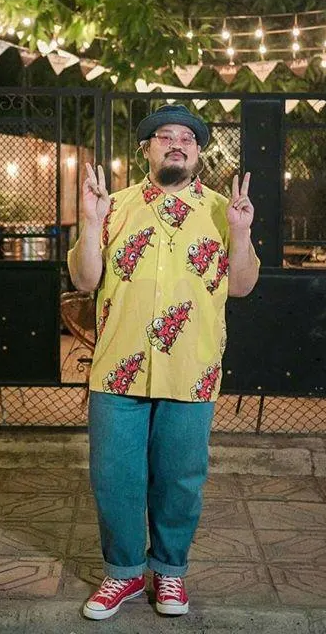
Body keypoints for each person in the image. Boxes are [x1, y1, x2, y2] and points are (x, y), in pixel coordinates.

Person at [67, 104, 259, 620]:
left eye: (187, 139)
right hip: (118, 368)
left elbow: (242, 286)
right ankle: (124, 573)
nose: (177, 144)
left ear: (197, 153)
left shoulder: (223, 211)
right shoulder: (114, 206)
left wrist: (241, 233)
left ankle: (170, 572)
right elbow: (84, 280)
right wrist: (91, 222)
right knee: (114, 478)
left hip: (191, 370)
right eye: (165, 136)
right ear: (146, 150)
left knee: (179, 479)